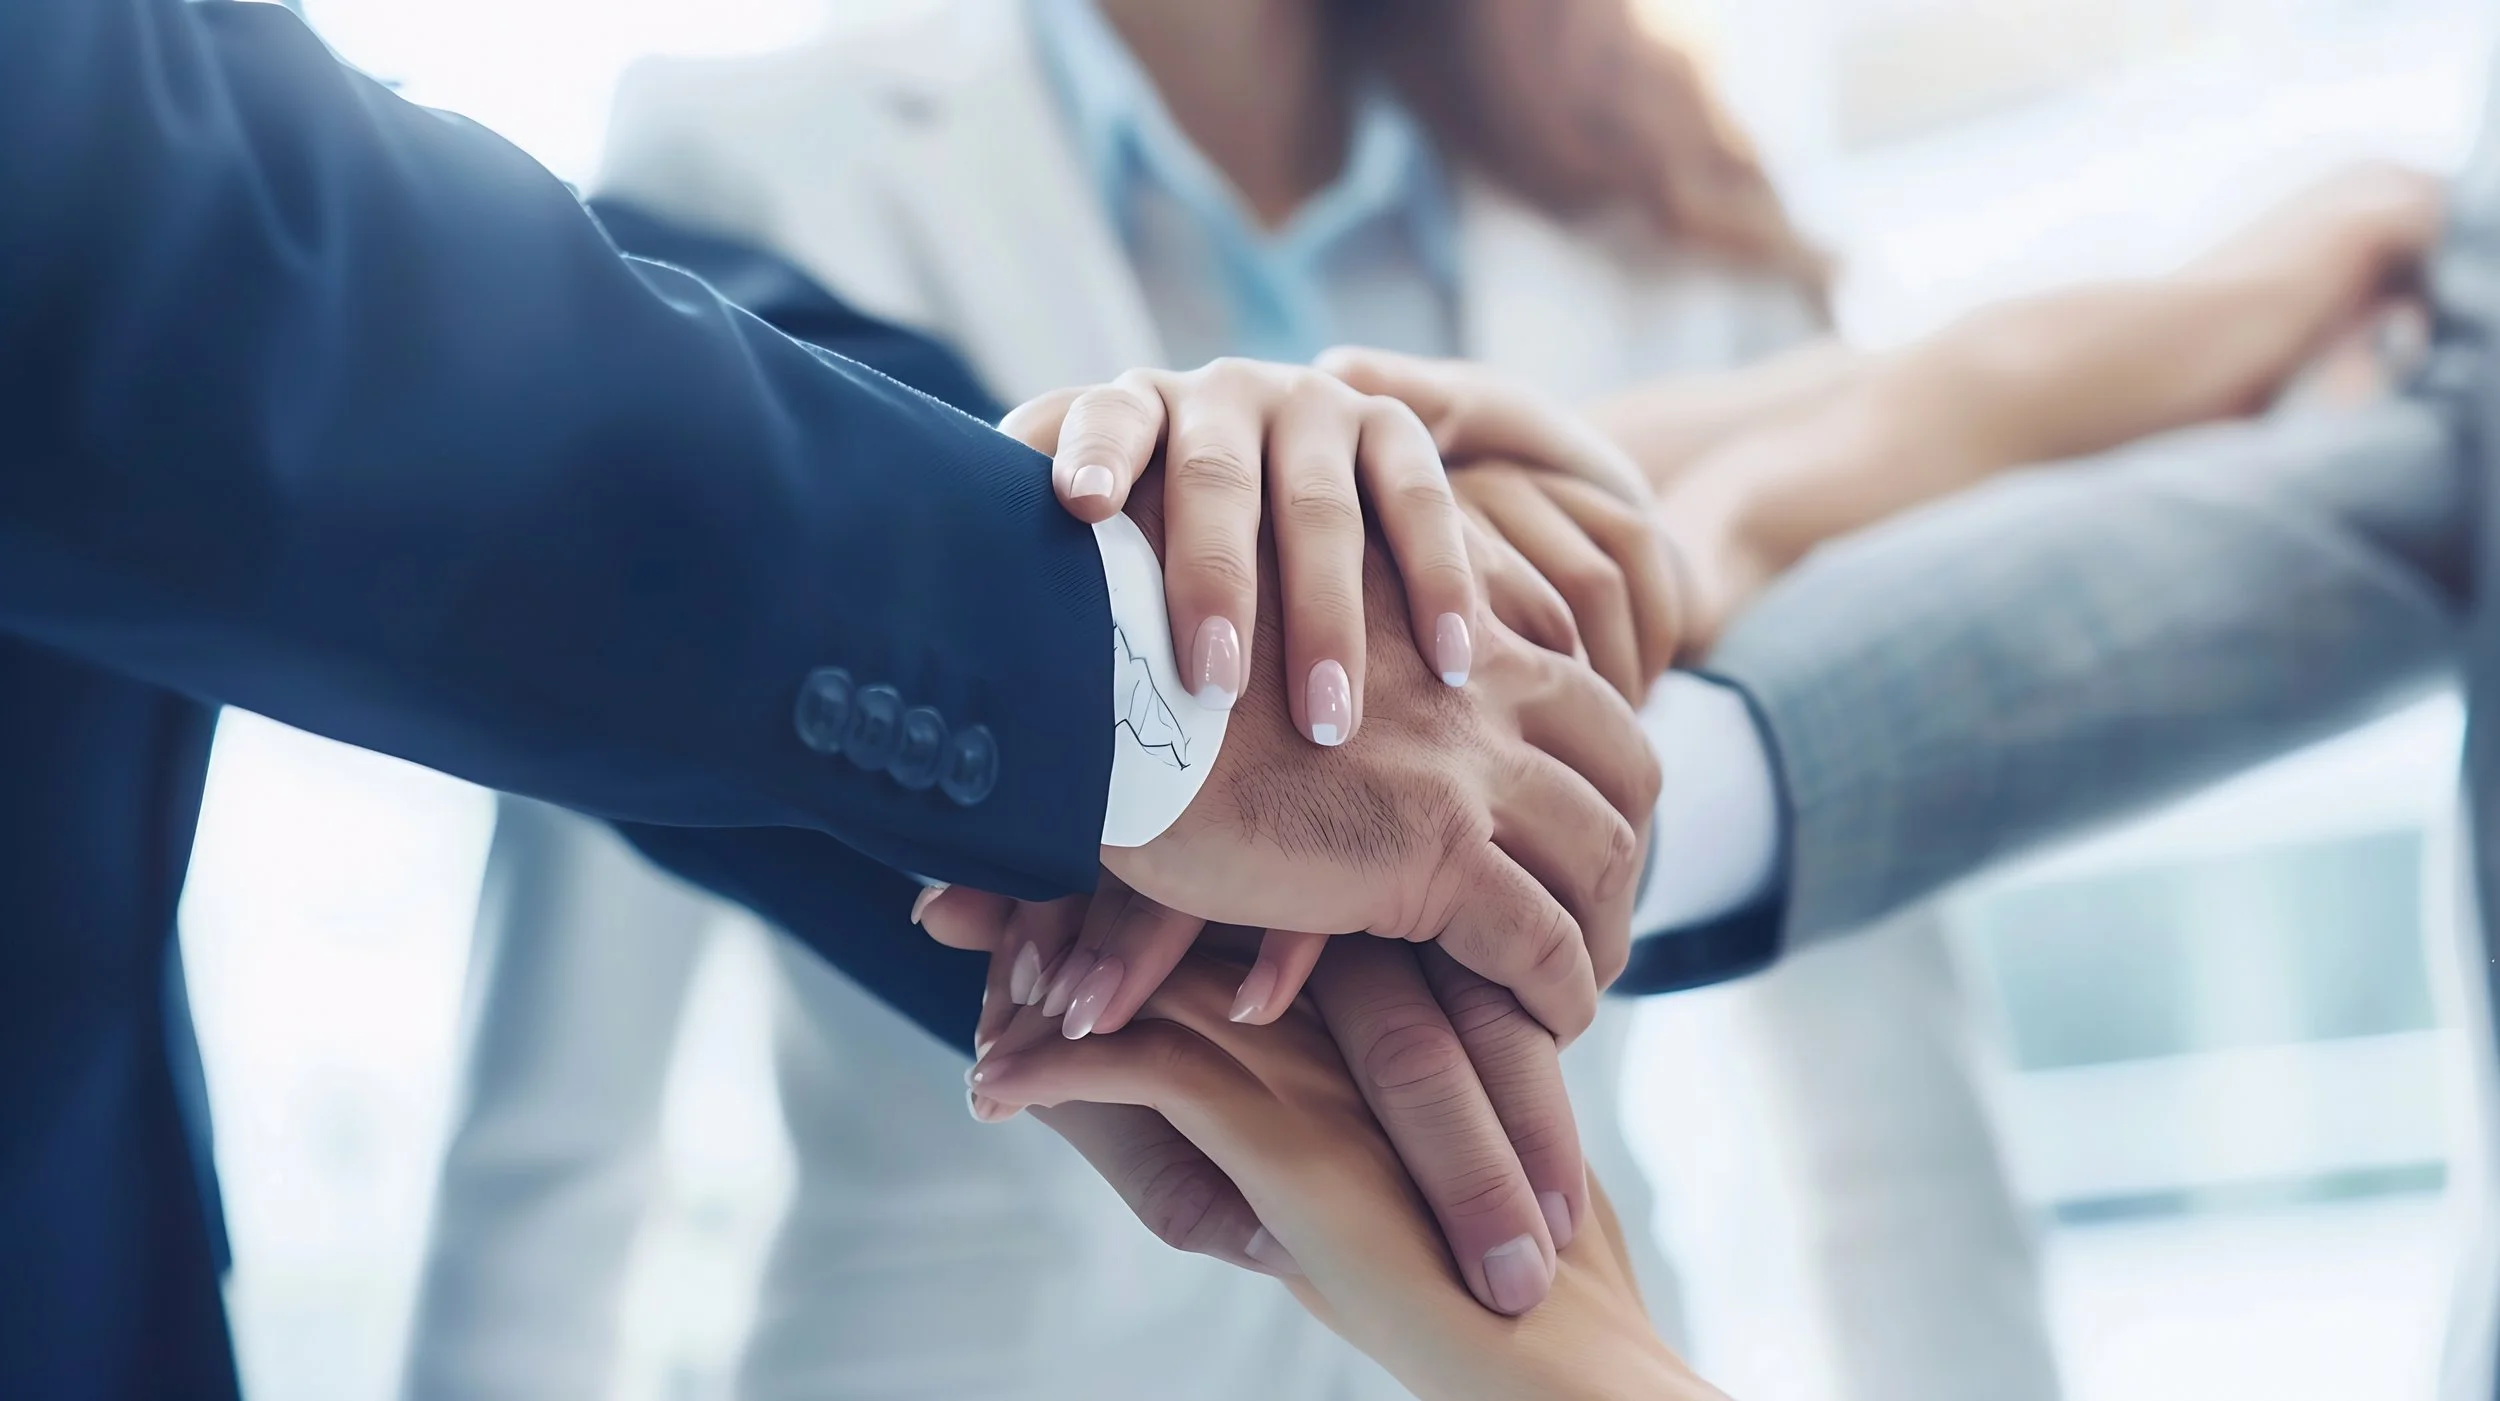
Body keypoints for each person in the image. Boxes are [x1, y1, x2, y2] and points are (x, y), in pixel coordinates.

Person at [0, 0, 1660, 1395]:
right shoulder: (783, 129)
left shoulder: (1640, 187)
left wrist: (1172, 663)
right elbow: (145, 214)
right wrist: (1134, 681)